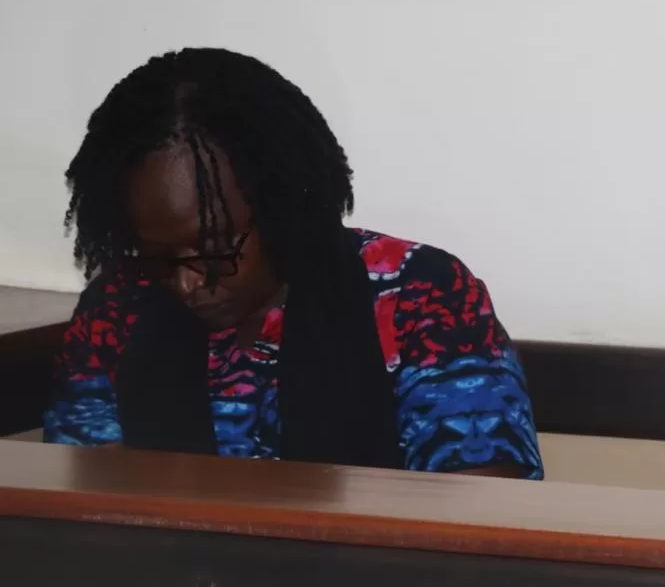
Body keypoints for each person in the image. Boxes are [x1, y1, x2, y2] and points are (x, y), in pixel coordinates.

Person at [45, 48, 542, 479]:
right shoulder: (117, 311)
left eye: (214, 249)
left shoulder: (418, 298)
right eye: (155, 257)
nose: (187, 283)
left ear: (282, 204)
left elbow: (478, 506)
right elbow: (87, 503)